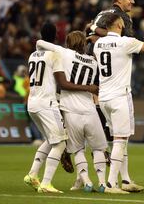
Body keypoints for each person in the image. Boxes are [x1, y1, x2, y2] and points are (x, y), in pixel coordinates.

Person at [23, 22, 98, 194]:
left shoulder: (33, 55)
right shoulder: (55, 55)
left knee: (51, 140)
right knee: (61, 143)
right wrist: (88, 87)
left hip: (32, 102)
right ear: (56, 36)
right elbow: (62, 82)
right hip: (47, 104)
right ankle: (46, 183)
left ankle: (33, 174)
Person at [93, 13, 144, 193]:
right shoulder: (125, 42)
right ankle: (110, 183)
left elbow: (96, 38)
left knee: (118, 140)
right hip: (119, 97)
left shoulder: (98, 43)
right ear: (119, 25)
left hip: (104, 97)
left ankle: (125, 180)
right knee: (121, 141)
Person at [36, 31, 109, 193]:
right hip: (90, 110)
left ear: (68, 43)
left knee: (78, 150)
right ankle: (103, 183)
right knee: (98, 149)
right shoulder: (93, 61)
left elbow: (41, 43)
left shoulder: (64, 53)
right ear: (84, 44)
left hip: (70, 111)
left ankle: (87, 181)